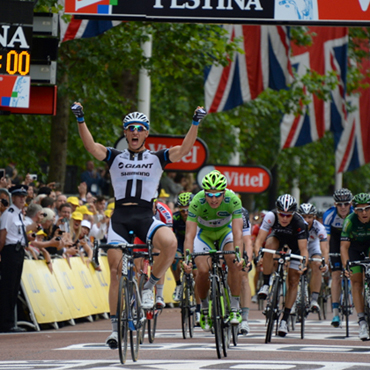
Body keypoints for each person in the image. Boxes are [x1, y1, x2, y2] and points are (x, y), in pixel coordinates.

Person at [71, 101, 207, 349]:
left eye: (139, 128)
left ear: (146, 133)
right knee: (114, 272)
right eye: (130, 128)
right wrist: (81, 119)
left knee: (169, 243)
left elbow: (185, 149)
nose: (134, 132)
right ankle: (114, 329)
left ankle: (151, 283)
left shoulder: (157, 157)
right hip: (120, 218)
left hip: (146, 216)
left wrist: (195, 122)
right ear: (125, 133)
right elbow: (91, 147)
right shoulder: (114, 156)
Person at [183, 170, 244, 331]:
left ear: (224, 192)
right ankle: (204, 309)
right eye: (209, 195)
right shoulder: (196, 201)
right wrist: (187, 259)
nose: (214, 199)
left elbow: (238, 233)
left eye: (217, 195)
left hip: (225, 232)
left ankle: (234, 309)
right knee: (202, 271)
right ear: (204, 193)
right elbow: (189, 234)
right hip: (204, 235)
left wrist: (239, 255)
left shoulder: (233, 200)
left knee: (233, 261)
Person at [255, 194, 309, 337]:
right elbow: (259, 241)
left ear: (293, 214)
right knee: (269, 245)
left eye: (288, 215)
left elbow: (303, 250)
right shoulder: (271, 216)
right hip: (277, 238)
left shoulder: (299, 222)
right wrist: (258, 256)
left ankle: (284, 319)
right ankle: (266, 284)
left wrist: (303, 264)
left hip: (295, 244)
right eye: (282, 215)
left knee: (293, 280)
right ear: (277, 212)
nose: (284, 218)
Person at [341, 193, 370, 341]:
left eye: (367, 209)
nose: (364, 213)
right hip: (355, 248)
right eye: (360, 209)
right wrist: (347, 266)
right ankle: (362, 322)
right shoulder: (349, 221)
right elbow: (344, 247)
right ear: (355, 210)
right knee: (357, 282)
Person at [0, 185, 29, 332]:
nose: (22, 199)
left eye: (24, 196)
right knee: (8, 288)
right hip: (10, 252)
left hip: (18, 251)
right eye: (19, 196)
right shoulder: (9, 213)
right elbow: (3, 236)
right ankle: (6, 323)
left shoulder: (18, 214)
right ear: (13, 198)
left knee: (14, 288)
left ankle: (10, 321)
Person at [323, 188, 353, 328]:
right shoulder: (329, 215)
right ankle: (335, 313)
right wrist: (326, 256)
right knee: (336, 275)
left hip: (352, 241)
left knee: (356, 272)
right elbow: (326, 240)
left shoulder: (356, 214)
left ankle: (353, 293)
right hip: (335, 241)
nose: (342, 207)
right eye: (339, 204)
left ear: (351, 204)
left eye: (346, 204)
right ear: (335, 204)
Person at [297, 203, 329, 311]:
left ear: (314, 217)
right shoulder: (295, 224)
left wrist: (325, 264)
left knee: (316, 264)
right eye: (304, 217)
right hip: (299, 247)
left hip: (313, 247)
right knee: (292, 266)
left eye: (309, 217)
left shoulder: (319, 227)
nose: (306, 220)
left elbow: (324, 248)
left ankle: (314, 299)